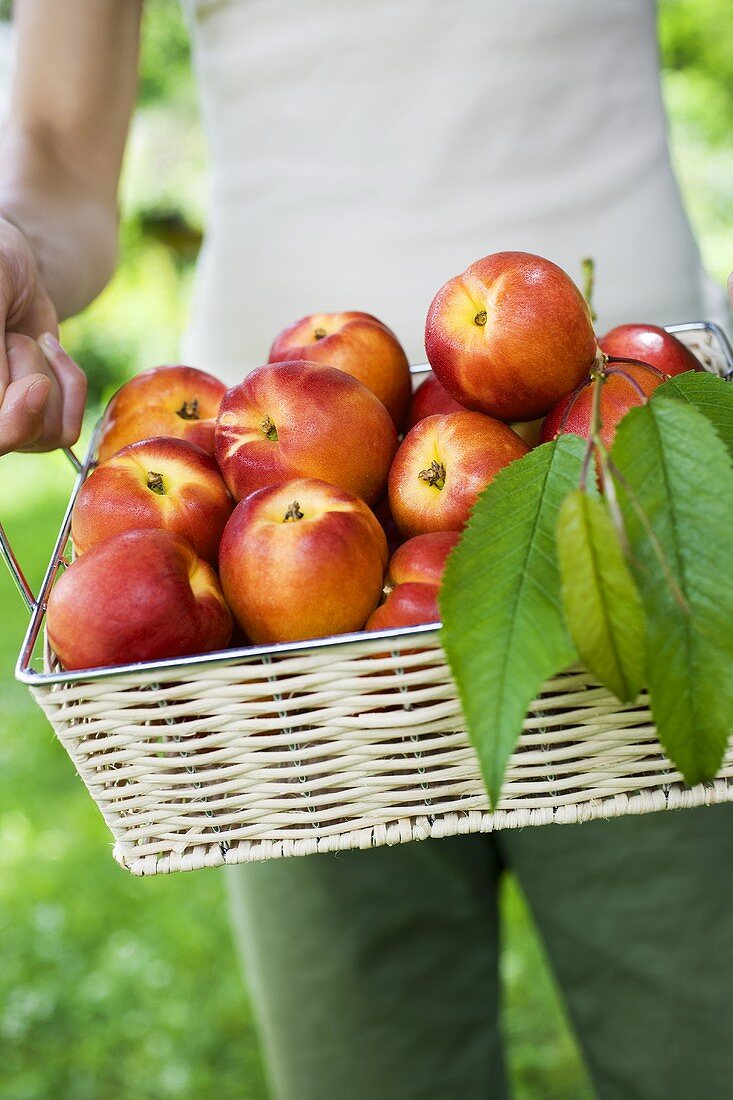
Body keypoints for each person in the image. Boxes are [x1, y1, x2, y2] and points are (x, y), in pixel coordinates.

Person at [1, 2, 732, 1097]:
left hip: (627, 471)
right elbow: (55, 147)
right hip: (272, 552)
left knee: (699, 1034)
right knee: (368, 1061)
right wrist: (19, 248)